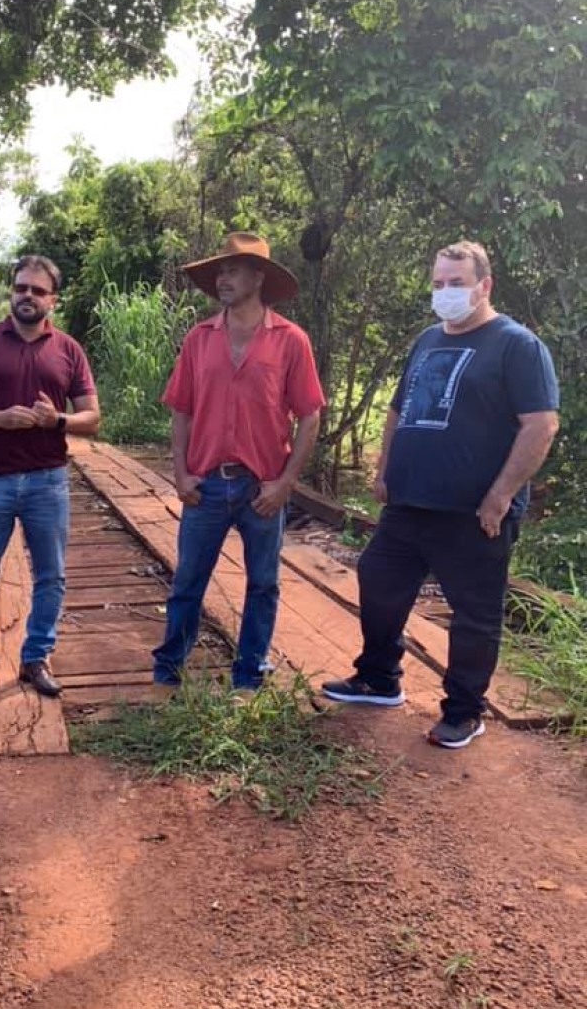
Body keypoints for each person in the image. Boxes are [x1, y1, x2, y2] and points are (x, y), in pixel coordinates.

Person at [322, 241, 560, 749]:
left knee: (473, 613)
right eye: (438, 283)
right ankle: (379, 678)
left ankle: (464, 711)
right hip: (409, 502)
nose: (446, 292)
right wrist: (384, 469)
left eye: (456, 283)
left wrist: (500, 496)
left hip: (474, 512)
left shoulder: (516, 346)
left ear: (484, 286)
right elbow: (398, 410)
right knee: (378, 580)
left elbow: (540, 425)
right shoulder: (428, 340)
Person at [152, 232, 325, 691]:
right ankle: (168, 670)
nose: (222, 280)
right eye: (219, 273)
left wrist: (285, 484)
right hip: (205, 483)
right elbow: (181, 410)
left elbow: (309, 415)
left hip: (261, 488)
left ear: (258, 277)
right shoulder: (199, 339)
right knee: (188, 580)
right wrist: (181, 474)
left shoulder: (291, 341)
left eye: (231, 270)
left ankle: (249, 674)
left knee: (263, 584)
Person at [0, 255, 100, 711]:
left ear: (53, 299)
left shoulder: (68, 350)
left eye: (37, 290)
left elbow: (91, 418)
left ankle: (36, 658)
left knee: (50, 575)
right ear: (11, 292)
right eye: (20, 288)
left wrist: (58, 420)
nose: (26, 296)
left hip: (46, 481)